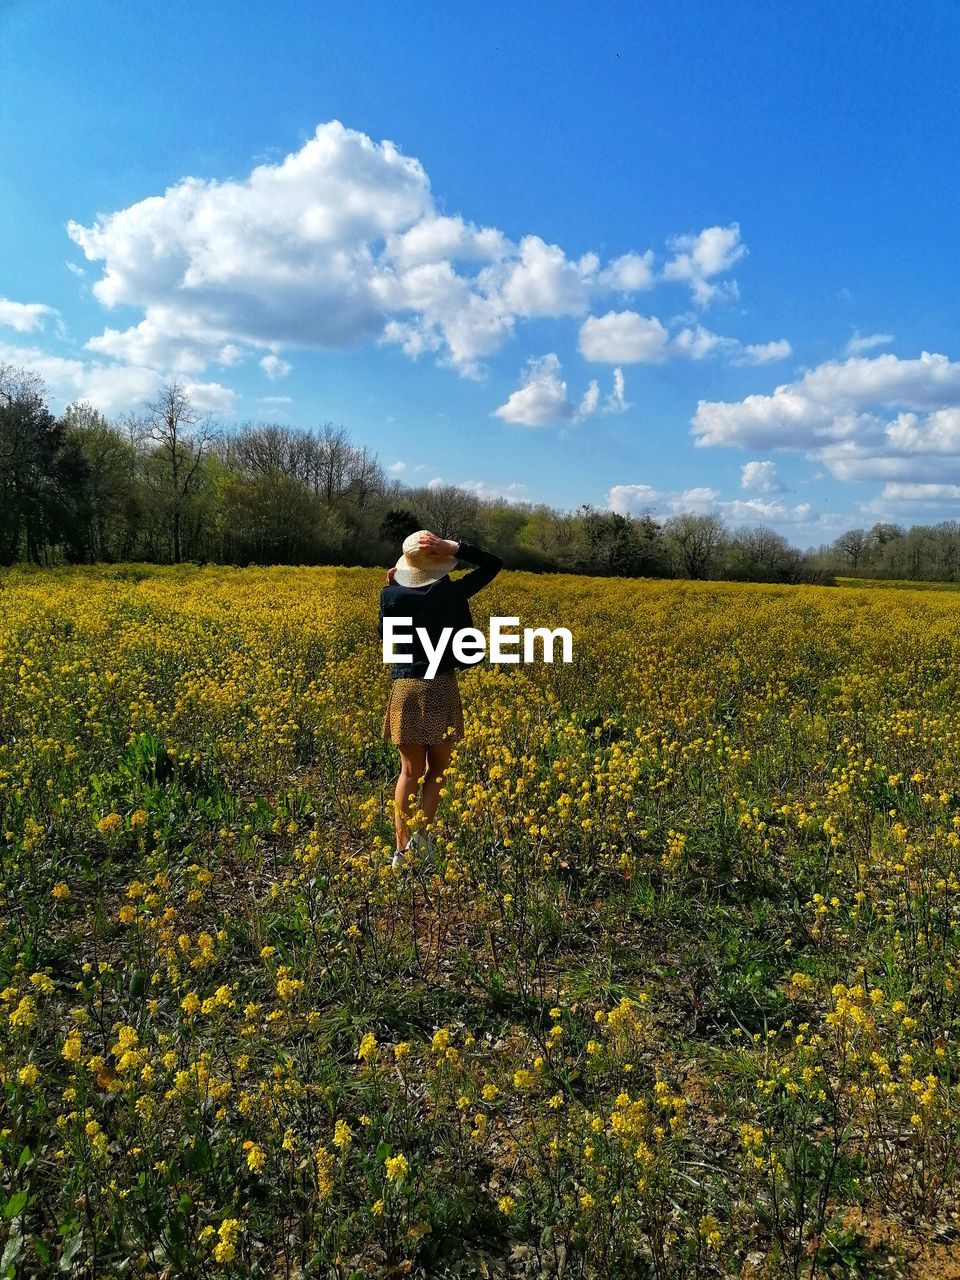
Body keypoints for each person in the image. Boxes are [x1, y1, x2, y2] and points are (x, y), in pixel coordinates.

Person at [378, 530, 503, 866]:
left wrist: (393, 588)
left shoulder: (390, 596)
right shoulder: (452, 592)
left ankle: (401, 851)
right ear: (439, 564)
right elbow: (494, 564)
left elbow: (385, 638)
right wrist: (457, 547)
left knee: (408, 771)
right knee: (437, 770)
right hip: (440, 686)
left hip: (405, 688)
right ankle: (423, 841)